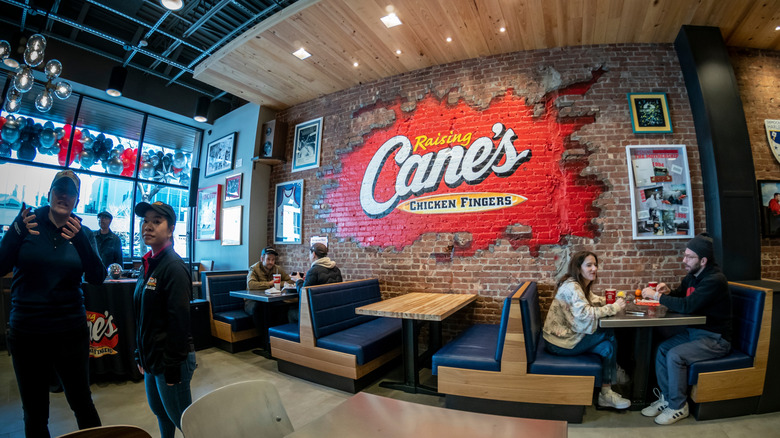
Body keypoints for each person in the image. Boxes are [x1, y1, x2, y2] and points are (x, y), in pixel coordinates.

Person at [0, 169, 105, 436]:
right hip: (28, 332)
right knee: (35, 411)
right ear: (49, 193)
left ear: (77, 200)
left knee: (82, 402)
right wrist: (15, 231)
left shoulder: (83, 232)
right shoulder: (27, 223)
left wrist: (80, 240)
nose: (64, 196)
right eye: (60, 189)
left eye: (71, 193)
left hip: (70, 330)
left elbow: (97, 277)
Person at [640, 233, 732, 425]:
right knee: (662, 349)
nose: (684, 260)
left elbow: (688, 306)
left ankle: (678, 406)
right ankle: (668, 398)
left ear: (703, 260)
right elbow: (682, 296)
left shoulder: (714, 280)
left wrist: (657, 297)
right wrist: (669, 292)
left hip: (716, 339)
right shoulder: (692, 276)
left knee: (675, 355)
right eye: (685, 255)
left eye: (689, 257)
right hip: (695, 333)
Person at [133, 201, 196, 438]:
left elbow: (179, 322)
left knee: (186, 423)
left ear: (170, 230)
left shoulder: (174, 267)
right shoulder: (148, 263)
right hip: (151, 358)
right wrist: (140, 353)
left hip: (171, 361)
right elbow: (142, 316)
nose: (148, 226)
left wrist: (171, 367)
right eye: (145, 221)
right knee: (160, 413)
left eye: (157, 221)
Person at [541, 250, 630, 410]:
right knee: (608, 333)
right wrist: (614, 307)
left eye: (595, 265)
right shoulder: (573, 287)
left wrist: (609, 301)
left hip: (565, 338)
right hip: (559, 343)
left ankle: (606, 393)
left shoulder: (578, 284)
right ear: (578, 267)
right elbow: (585, 313)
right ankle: (617, 373)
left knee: (607, 347)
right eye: (589, 265)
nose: (594, 269)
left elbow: (591, 300)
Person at [290, 243, 343, 323]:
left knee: (290, 312)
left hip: (317, 313)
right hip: (334, 310)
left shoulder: (313, 271)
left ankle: (302, 331)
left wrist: (298, 280)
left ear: (313, 254)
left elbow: (303, 294)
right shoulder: (336, 269)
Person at [245, 246, 292, 329]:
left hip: (271, 299)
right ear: (262, 259)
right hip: (253, 300)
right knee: (261, 308)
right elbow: (251, 285)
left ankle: (277, 333)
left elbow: (290, 281)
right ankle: (265, 336)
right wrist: (269, 284)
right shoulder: (254, 269)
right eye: (268, 259)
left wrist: (278, 283)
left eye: (273, 260)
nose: (271, 262)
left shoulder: (277, 269)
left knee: (283, 306)